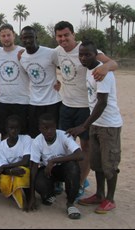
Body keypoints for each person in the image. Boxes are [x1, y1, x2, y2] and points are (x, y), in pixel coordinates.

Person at [54, 21, 118, 197]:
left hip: (85, 107)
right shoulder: (57, 52)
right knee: (64, 145)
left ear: (74, 35)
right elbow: (47, 62)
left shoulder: (85, 49)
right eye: (59, 36)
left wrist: (105, 66)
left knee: (86, 147)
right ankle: (61, 179)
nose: (63, 39)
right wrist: (56, 81)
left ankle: (80, 182)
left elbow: (113, 63)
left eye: (66, 35)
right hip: (66, 105)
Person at [66, 40, 123, 214]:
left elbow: (102, 103)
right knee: (97, 163)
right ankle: (99, 194)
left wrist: (84, 126)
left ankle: (110, 199)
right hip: (96, 125)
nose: (83, 57)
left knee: (109, 164)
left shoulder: (102, 72)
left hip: (109, 126)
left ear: (95, 54)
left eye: (87, 54)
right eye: (81, 54)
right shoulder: (90, 70)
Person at [29, 113, 83, 219]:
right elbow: (34, 168)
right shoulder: (37, 141)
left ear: (56, 126)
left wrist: (53, 161)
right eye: (45, 128)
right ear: (40, 128)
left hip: (64, 168)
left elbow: (80, 155)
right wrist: (31, 197)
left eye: (52, 128)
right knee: (39, 181)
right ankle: (49, 194)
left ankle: (70, 204)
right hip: (49, 171)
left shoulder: (64, 135)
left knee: (73, 167)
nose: (49, 131)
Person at [19, 26, 62, 138]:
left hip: (52, 102)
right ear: (21, 39)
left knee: (53, 135)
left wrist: (61, 83)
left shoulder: (51, 53)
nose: (28, 40)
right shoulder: (22, 57)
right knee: (35, 135)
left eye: (30, 37)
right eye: (25, 38)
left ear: (36, 37)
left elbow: (65, 70)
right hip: (34, 102)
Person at [0, 24, 30, 139]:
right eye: (3, 36)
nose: (6, 38)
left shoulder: (23, 52)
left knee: (22, 134)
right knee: (4, 134)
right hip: (3, 101)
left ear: (14, 35)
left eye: (8, 35)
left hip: (22, 101)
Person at [0, 114, 32, 211]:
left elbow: (25, 161)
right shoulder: (2, 145)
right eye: (11, 128)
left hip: (22, 168)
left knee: (21, 173)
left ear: (20, 129)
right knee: (3, 181)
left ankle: (26, 197)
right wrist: (10, 170)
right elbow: (0, 167)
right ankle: (14, 192)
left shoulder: (26, 139)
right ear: (6, 129)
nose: (14, 131)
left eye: (16, 128)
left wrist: (7, 166)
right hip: (9, 171)